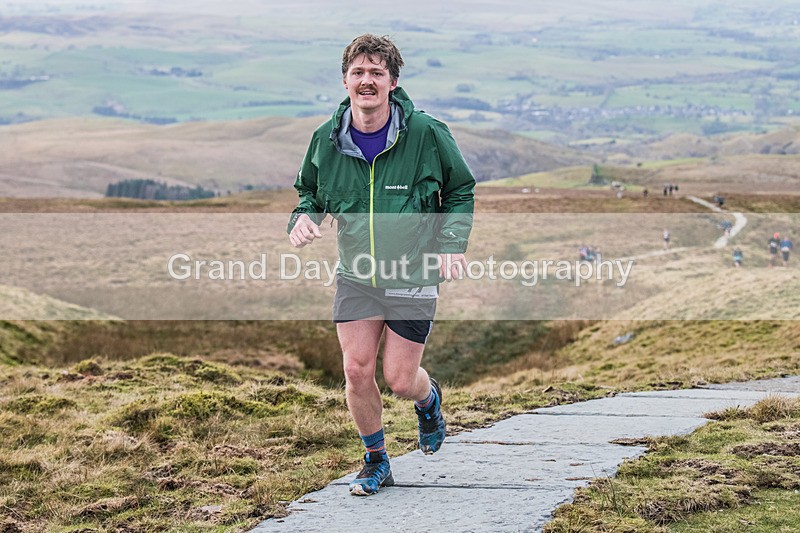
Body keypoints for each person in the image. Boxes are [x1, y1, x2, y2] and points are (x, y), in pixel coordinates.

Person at [288, 34, 475, 496]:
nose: (366, 81)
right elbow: (309, 193)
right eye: (358, 72)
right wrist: (304, 219)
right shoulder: (326, 140)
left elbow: (460, 190)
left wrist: (452, 243)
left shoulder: (427, 134)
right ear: (345, 80)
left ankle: (428, 401)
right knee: (355, 370)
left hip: (413, 273)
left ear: (393, 81)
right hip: (357, 276)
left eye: (376, 72)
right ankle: (376, 460)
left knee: (399, 379)